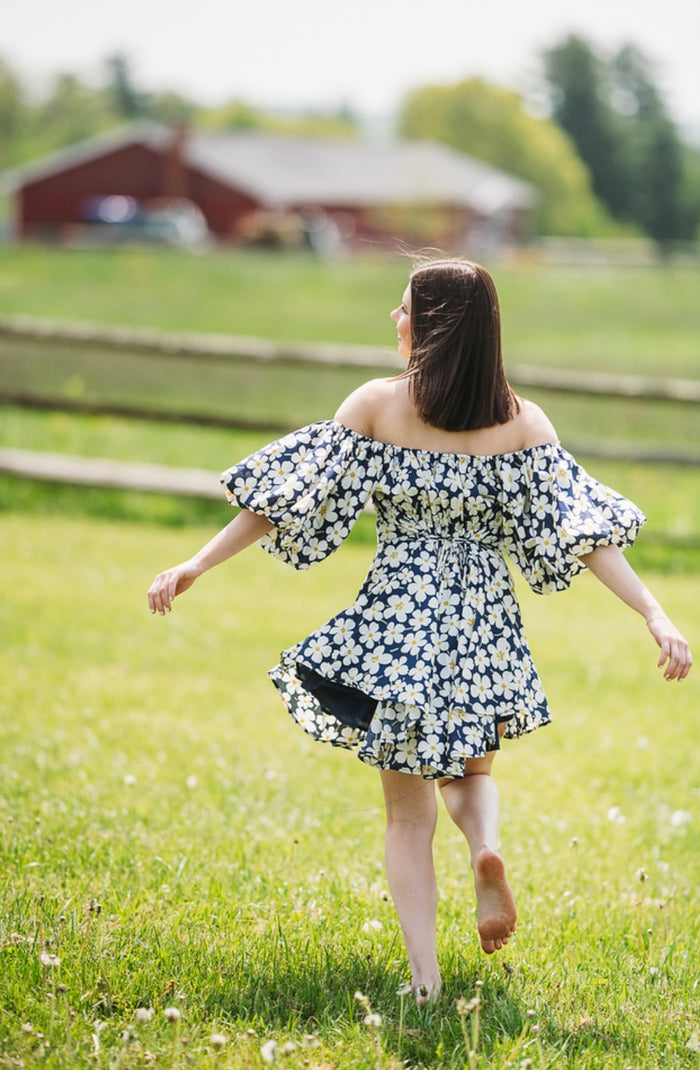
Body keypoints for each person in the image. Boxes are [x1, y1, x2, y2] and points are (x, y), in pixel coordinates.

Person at [147, 258, 692, 1002]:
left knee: (407, 814)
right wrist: (655, 614)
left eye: (403, 309)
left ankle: (427, 981)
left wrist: (196, 564)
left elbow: (286, 499)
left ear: (434, 326)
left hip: (398, 619)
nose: (393, 320)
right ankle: (487, 847)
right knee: (471, 772)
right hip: (482, 622)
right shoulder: (523, 423)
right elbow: (587, 535)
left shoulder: (377, 407)